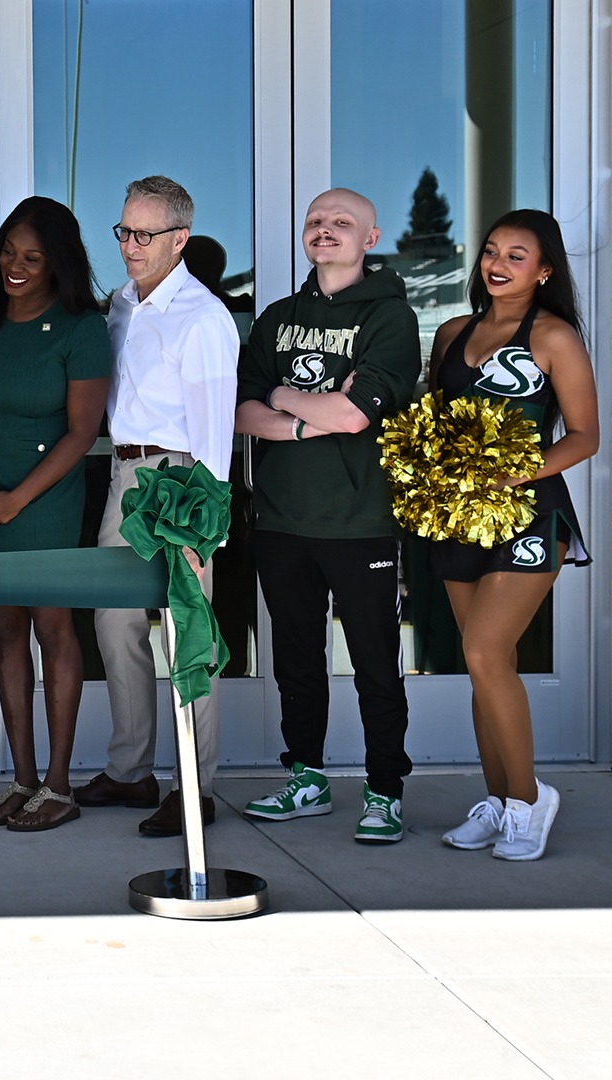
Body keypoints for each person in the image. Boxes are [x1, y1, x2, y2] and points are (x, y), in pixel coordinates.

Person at [234, 189, 418, 843]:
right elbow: (243, 413)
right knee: (297, 660)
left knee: (373, 661)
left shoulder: (391, 318)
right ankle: (306, 778)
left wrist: (284, 397)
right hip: (283, 519)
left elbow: (356, 415)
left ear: (370, 238)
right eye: (315, 220)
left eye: (342, 222)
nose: (325, 230)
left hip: (359, 518)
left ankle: (384, 791)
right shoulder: (277, 318)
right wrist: (308, 414)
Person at [429, 209, 597, 861]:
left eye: (517, 255)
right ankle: (500, 804)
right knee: (485, 666)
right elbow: (434, 423)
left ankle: (529, 801)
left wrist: (516, 469)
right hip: (458, 514)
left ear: (545, 270)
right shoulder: (449, 332)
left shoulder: (554, 336)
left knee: (483, 650)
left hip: (531, 514)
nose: (497, 264)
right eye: (492, 251)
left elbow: (585, 434)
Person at [75, 175, 239, 838]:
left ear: (181, 239)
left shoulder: (201, 317)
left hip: (180, 479)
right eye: (123, 231)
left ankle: (194, 788)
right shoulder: (121, 304)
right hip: (124, 474)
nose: (130, 246)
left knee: (187, 636)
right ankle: (130, 767)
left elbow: (214, 428)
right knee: (114, 623)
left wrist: (207, 523)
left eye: (144, 234)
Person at [0, 197, 110, 832]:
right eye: (8, 253)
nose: (16, 266)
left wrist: (18, 497)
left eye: (33, 257)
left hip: (45, 500)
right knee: (6, 631)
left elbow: (81, 433)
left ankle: (59, 784)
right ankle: (21, 778)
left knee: (53, 630)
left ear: (57, 262)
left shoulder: (81, 326)